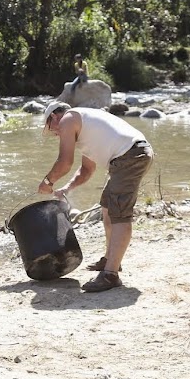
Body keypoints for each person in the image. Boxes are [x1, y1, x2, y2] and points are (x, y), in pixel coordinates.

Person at [38, 101, 154, 292]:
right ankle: (110, 260)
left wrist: (48, 182)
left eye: (52, 130)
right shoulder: (85, 127)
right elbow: (86, 170)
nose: (55, 134)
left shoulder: (68, 119)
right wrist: (65, 188)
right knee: (108, 208)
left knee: (119, 215)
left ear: (54, 117)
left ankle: (110, 275)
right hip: (129, 155)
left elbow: (65, 162)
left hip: (130, 155)